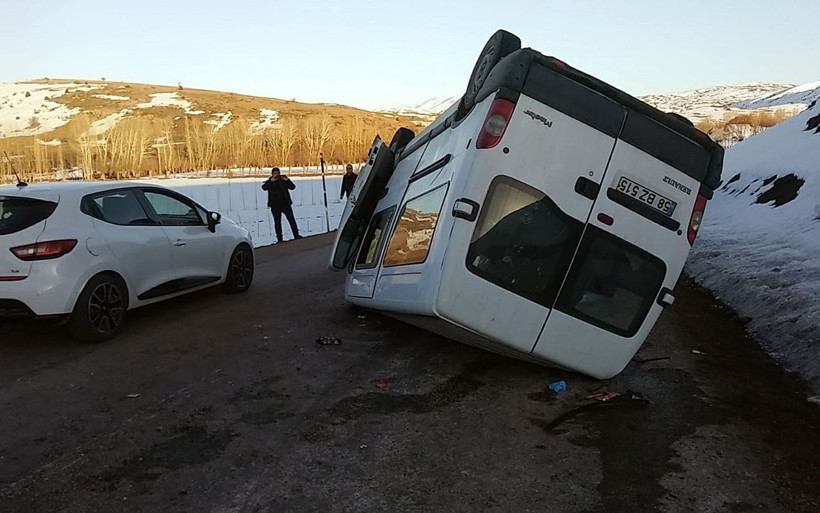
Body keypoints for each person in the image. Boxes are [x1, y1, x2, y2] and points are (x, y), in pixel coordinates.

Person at [262, 167, 302, 243]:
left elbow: (293, 187)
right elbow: (264, 188)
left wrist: (287, 180)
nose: (276, 175)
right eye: (275, 174)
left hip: (285, 204)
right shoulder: (270, 182)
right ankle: (279, 239)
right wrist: (271, 181)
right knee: (277, 222)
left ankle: (296, 235)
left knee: (291, 219)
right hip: (275, 205)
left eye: (277, 173)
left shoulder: (283, 180)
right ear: (272, 174)